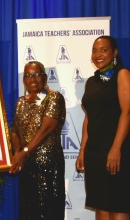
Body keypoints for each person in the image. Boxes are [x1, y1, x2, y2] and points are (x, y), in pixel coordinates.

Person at [76, 36, 130, 220]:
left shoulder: (122, 74)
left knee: (117, 207)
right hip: (94, 154)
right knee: (101, 207)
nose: (98, 54)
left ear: (114, 53)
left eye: (103, 50)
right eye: (94, 50)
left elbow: (127, 112)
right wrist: (83, 150)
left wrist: (116, 148)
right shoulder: (91, 81)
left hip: (117, 151)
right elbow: (89, 117)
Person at [10, 61, 66, 219]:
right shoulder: (21, 102)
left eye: (36, 74)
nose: (32, 79)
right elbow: (15, 132)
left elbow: (47, 128)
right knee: (28, 212)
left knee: (48, 211)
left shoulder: (54, 97)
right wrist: (17, 154)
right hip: (27, 167)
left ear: (45, 77)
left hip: (48, 166)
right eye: (27, 75)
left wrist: (24, 152)